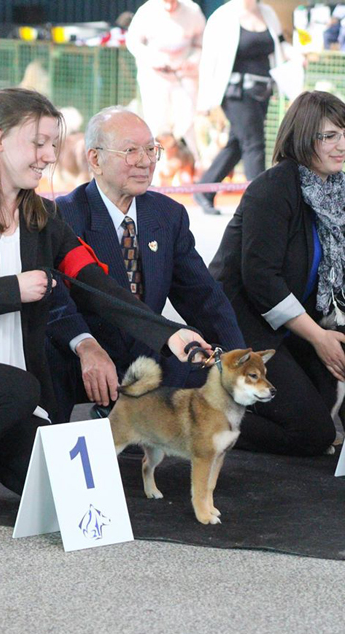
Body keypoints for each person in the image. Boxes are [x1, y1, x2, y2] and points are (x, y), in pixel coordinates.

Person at [0, 88, 210, 514]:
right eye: (37, 142)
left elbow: (99, 287)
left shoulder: (46, 219)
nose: (49, 155)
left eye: (53, 144)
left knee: (61, 497)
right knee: (17, 387)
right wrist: (10, 289)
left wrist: (170, 334)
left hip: (13, 393)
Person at [46, 106, 244, 423]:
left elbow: (203, 296)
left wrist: (238, 360)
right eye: (130, 151)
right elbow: (55, 305)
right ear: (95, 159)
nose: (146, 160)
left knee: (229, 385)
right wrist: (86, 347)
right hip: (87, 354)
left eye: (151, 149)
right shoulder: (64, 215)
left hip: (150, 351)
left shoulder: (167, 215)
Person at [209, 90, 345, 456]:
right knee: (312, 433)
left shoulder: (338, 189)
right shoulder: (273, 188)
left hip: (291, 322)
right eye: (329, 136)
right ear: (303, 138)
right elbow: (261, 281)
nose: (341, 145)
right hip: (241, 319)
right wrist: (319, 337)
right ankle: (207, 414)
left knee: (317, 410)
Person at [194, 0, 291, 215]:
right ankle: (261, 201)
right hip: (235, 92)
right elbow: (209, 60)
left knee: (239, 142)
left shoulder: (268, 13)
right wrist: (204, 100)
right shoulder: (222, 17)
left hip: (262, 90)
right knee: (254, 143)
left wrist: (294, 57)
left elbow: (281, 43)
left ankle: (204, 189)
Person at [125, 0, 206, 162]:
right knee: (157, 124)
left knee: (186, 124)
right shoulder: (147, 11)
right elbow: (133, 41)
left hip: (184, 76)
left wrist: (193, 60)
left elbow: (202, 42)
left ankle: (190, 166)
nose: (169, 6)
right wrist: (152, 60)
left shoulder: (193, 11)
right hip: (155, 77)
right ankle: (156, 169)